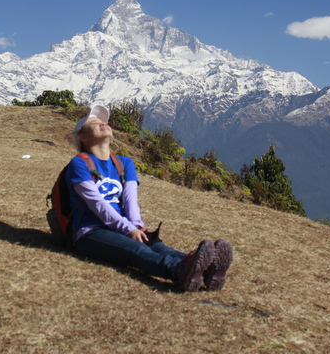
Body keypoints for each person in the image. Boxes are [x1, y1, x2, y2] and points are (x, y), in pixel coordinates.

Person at [65, 104, 233, 292]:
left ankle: (205, 269)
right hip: (91, 231)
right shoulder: (79, 164)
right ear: (82, 137)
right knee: (136, 249)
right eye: (95, 123)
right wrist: (128, 229)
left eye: (104, 122)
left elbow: (130, 200)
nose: (103, 124)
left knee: (159, 247)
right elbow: (97, 204)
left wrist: (136, 226)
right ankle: (180, 271)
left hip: (123, 226)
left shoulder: (124, 163)